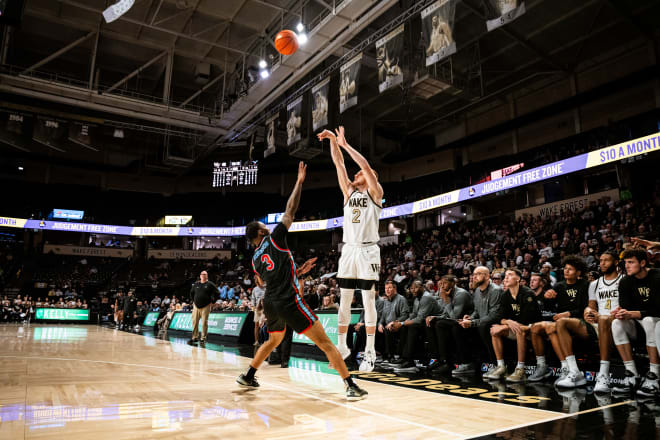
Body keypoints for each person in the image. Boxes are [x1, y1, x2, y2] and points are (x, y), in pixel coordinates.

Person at [237, 162, 367, 401]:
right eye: (264, 226)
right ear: (261, 232)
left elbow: (268, 281)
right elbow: (290, 210)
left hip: (271, 302)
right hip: (288, 301)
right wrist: (299, 182)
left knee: (273, 338)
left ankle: (249, 374)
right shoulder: (274, 237)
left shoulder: (254, 260)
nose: (268, 227)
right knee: (326, 343)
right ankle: (350, 385)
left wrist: (298, 271)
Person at [318, 126, 383, 372]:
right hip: (349, 250)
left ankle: (370, 352)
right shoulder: (348, 192)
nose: (356, 174)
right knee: (343, 301)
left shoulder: (375, 193)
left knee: (368, 301)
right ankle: (343, 346)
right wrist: (333, 141)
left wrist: (346, 145)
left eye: (361, 174)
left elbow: (364, 165)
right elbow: (339, 164)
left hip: (368, 251)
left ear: (369, 178)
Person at [529, 256, 590, 385]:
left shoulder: (585, 285)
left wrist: (568, 314)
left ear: (578, 272)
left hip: (579, 320)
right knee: (535, 327)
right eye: (565, 269)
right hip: (561, 320)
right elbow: (548, 308)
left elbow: (585, 308)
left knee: (553, 327)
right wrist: (547, 298)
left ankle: (566, 367)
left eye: (570, 269)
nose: (566, 271)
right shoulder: (559, 286)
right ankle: (542, 366)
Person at [611, 249, 660, 395]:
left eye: (631, 262)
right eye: (625, 263)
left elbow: (658, 309)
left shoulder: (657, 277)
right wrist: (621, 312)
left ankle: (655, 375)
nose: (627, 266)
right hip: (639, 325)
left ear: (643, 263)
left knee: (649, 320)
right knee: (616, 323)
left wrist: (637, 313)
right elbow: (626, 307)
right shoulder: (625, 281)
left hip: (656, 323)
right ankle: (631, 375)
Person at [489, 268, 541, 382]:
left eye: (510, 275)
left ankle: (520, 369)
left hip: (534, 328)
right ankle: (501, 366)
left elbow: (526, 320)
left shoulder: (528, 293)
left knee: (519, 330)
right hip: (516, 327)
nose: (506, 277)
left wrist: (506, 325)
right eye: (505, 275)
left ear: (518, 279)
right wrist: (507, 322)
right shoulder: (505, 295)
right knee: (494, 331)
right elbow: (500, 317)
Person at [459, 266, 504, 379]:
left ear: (487, 276)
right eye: (473, 274)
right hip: (481, 322)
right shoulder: (477, 291)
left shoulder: (496, 290)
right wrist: (470, 318)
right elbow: (477, 311)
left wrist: (473, 322)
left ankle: (496, 365)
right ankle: (469, 364)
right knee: (459, 327)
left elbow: (494, 315)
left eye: (478, 274)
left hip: (495, 323)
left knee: (484, 326)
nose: (474, 276)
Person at [187, 270, 217, 346]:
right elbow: (191, 293)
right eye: (202, 274)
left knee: (204, 323)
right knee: (195, 323)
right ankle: (194, 337)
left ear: (207, 276)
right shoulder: (196, 284)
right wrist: (193, 301)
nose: (203, 275)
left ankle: (203, 338)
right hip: (196, 306)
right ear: (200, 276)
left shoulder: (210, 284)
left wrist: (213, 302)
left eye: (205, 274)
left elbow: (217, 293)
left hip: (206, 306)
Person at [252, 280, 266, 347]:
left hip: (265, 309)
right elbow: (253, 299)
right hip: (257, 309)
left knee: (266, 326)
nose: (257, 283)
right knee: (256, 325)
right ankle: (256, 341)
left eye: (258, 281)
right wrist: (253, 306)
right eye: (256, 282)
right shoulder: (255, 289)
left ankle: (267, 341)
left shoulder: (266, 288)